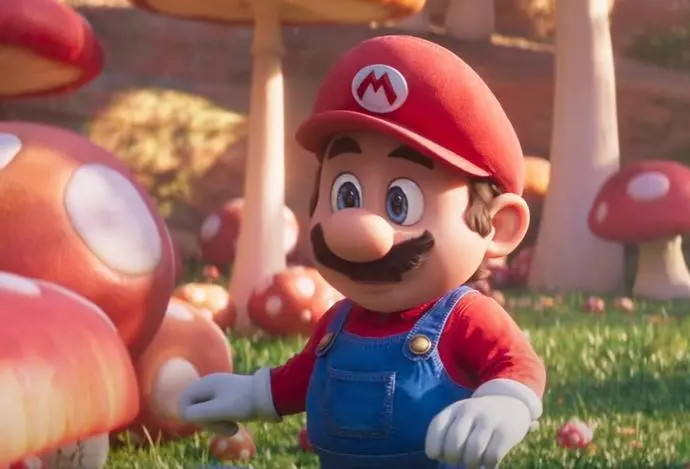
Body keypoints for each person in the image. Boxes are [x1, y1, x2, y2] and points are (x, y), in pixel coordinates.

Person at [180, 35, 546, 469]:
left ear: (498, 227)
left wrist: (505, 403)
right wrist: (252, 394)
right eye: (346, 195)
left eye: (399, 202)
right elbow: (303, 377)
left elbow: (515, 363)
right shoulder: (338, 322)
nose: (355, 231)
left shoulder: (465, 317)